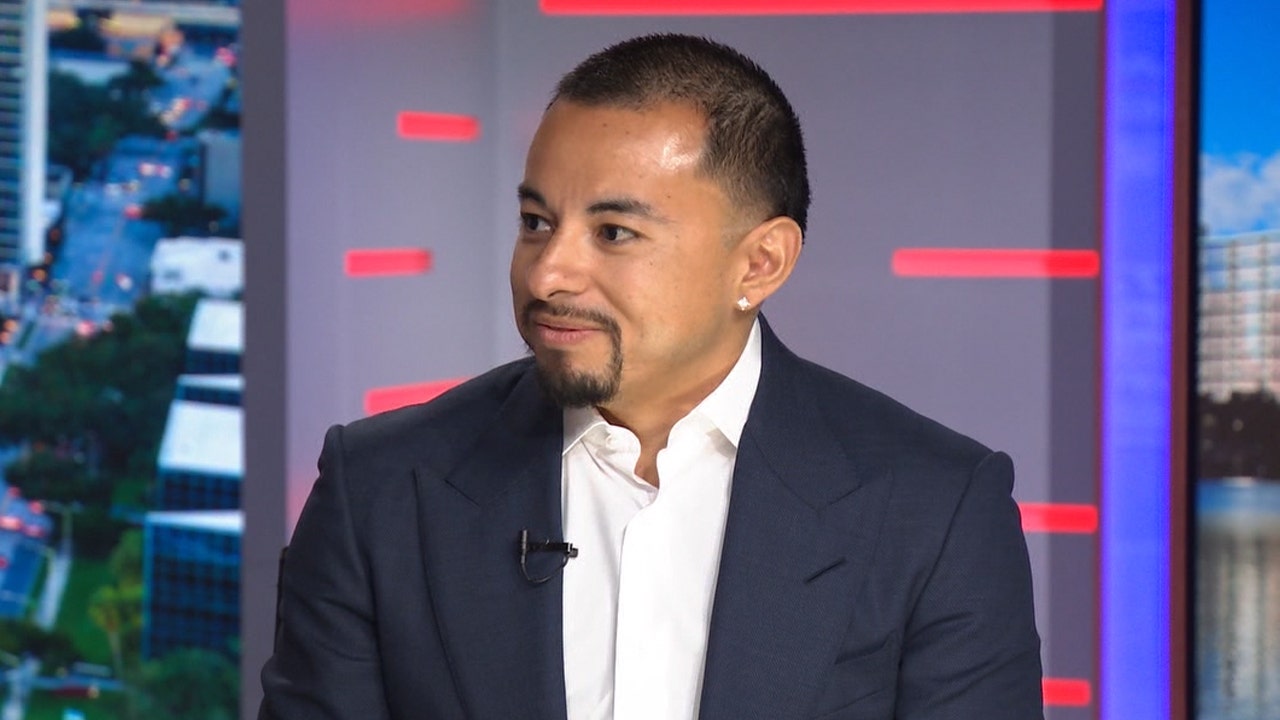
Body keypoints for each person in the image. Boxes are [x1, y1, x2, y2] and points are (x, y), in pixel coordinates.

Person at [259, 33, 1042, 720]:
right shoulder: (378, 489)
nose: (548, 273)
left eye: (614, 232)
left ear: (759, 263)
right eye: (536, 222)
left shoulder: (935, 510)